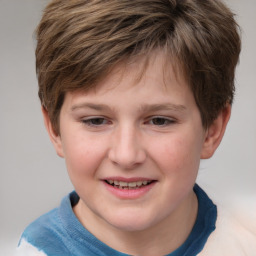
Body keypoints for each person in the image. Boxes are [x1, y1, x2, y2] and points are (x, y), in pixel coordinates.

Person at [16, 0, 256, 255]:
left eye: (159, 120)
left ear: (212, 130)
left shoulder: (245, 242)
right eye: (95, 121)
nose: (126, 155)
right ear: (55, 129)